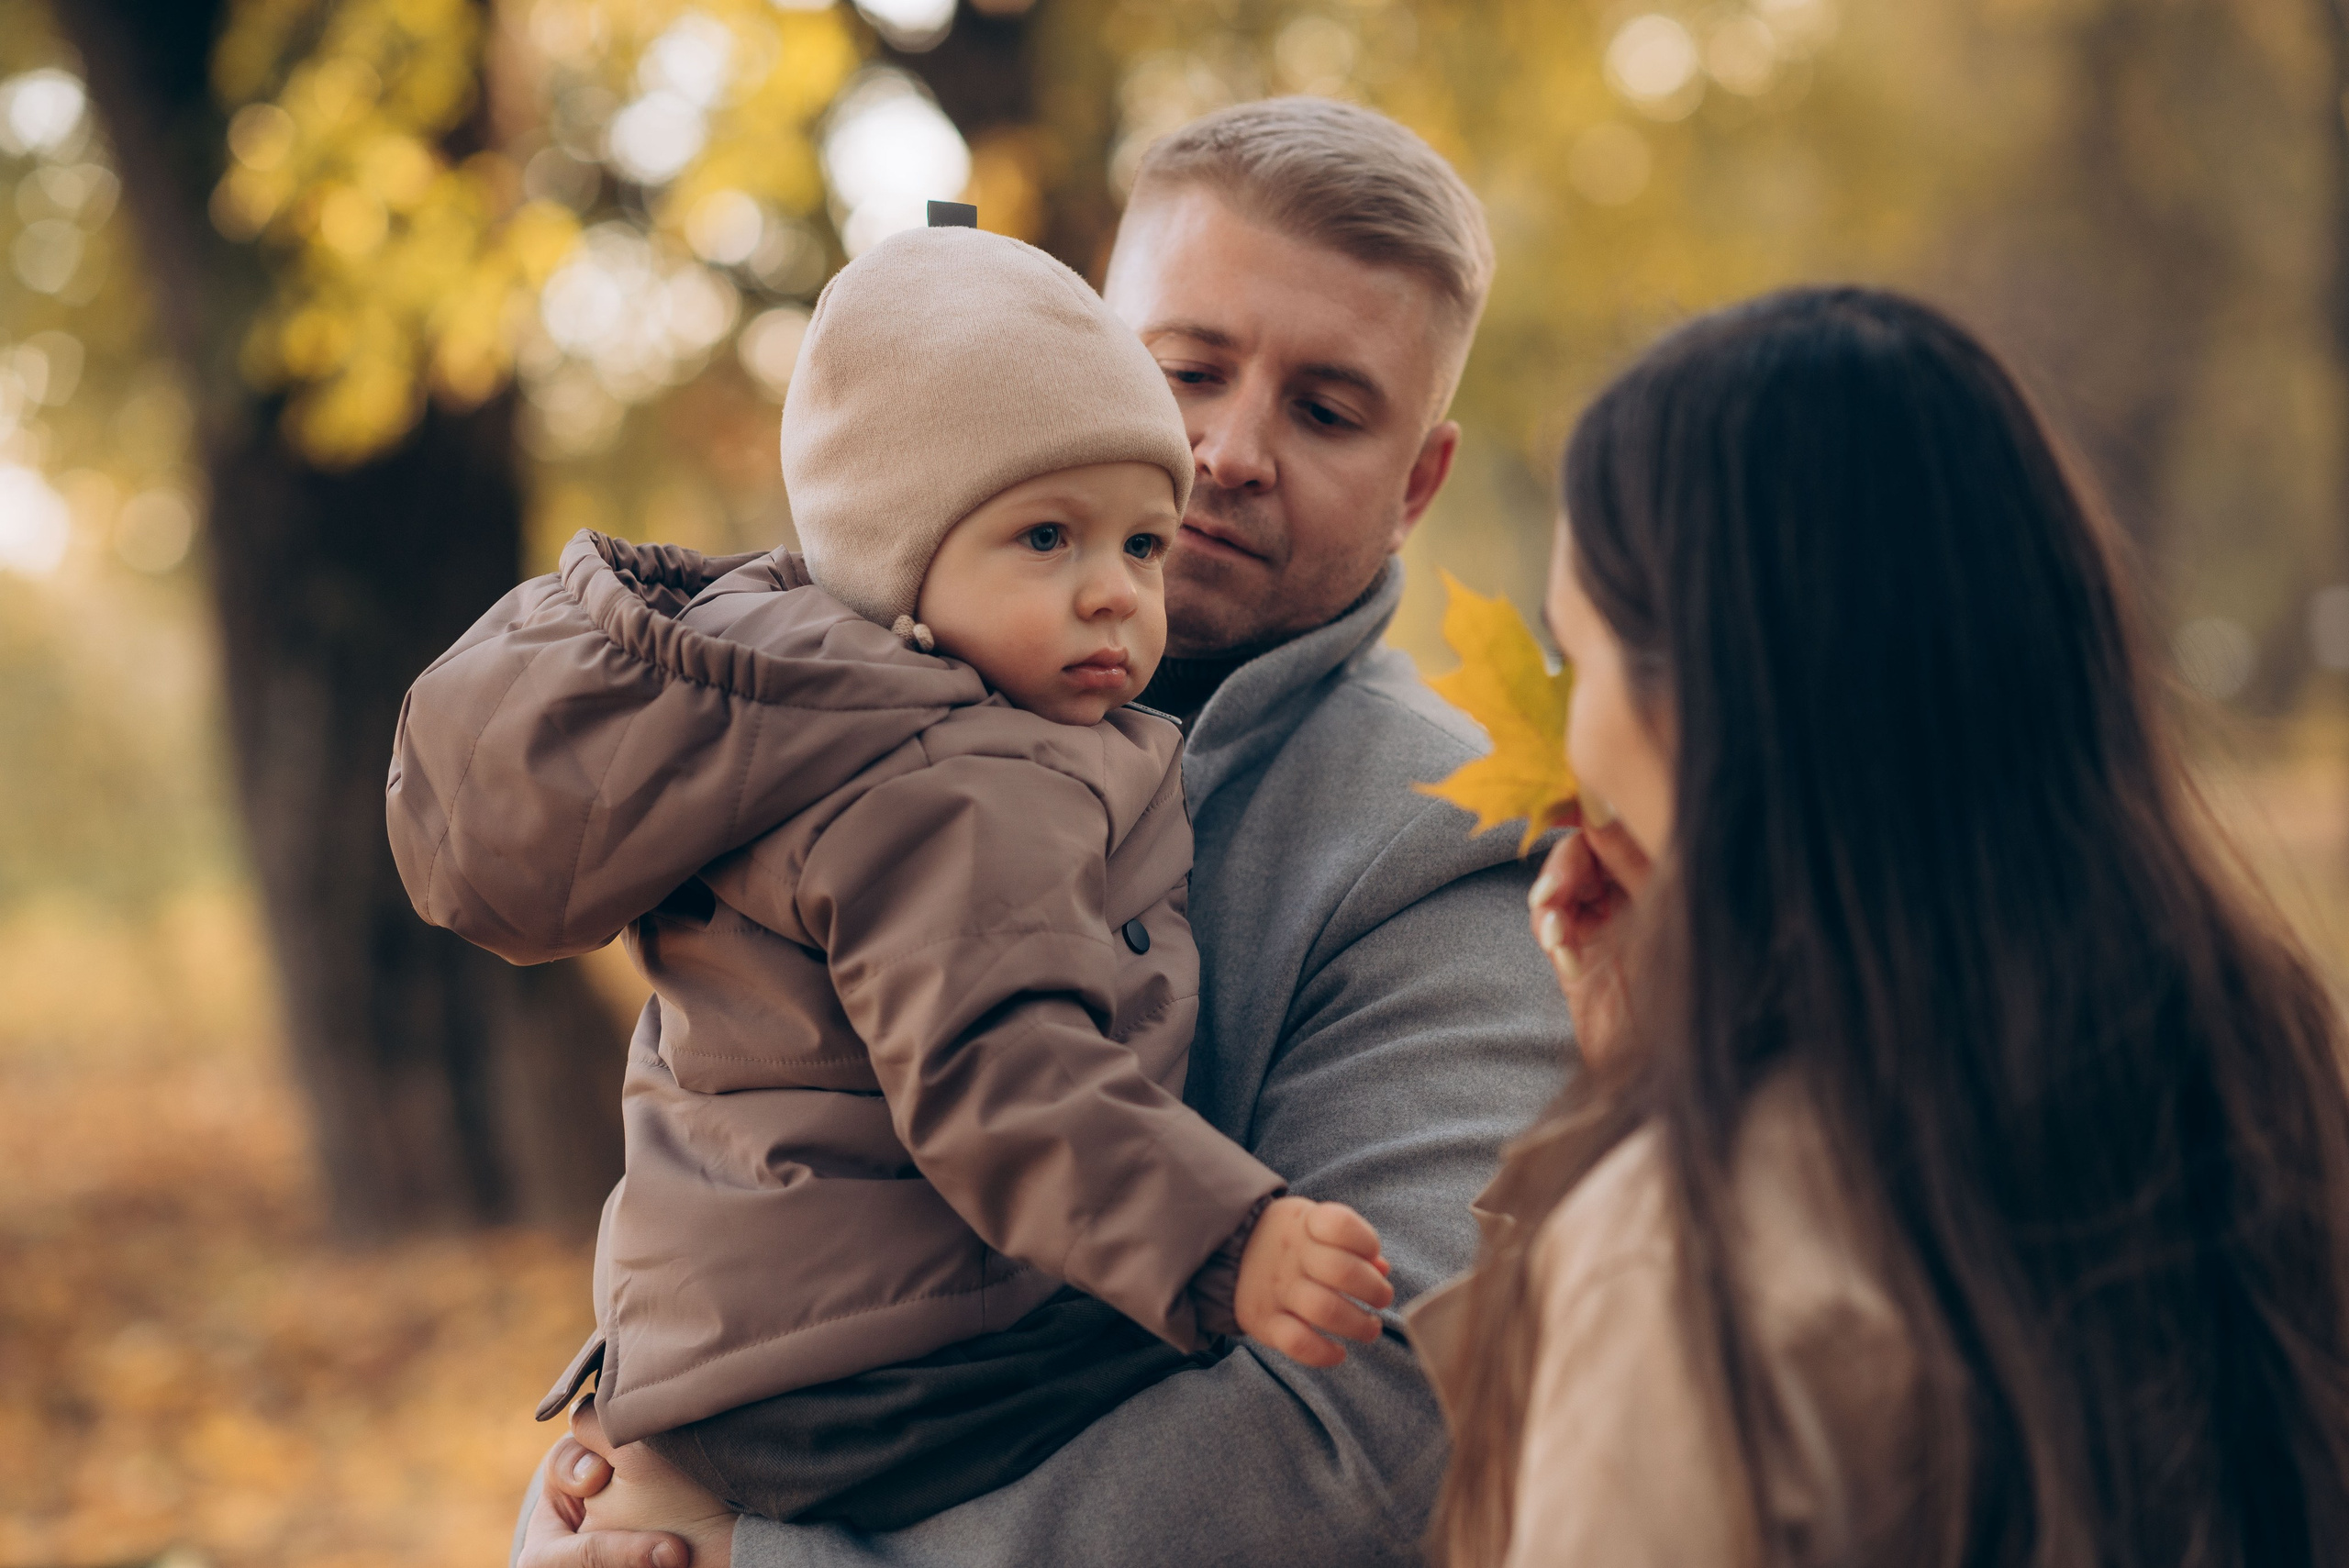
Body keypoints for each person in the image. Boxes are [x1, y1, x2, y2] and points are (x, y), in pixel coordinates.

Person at [512, 96, 1572, 1568]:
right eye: (1183, 369)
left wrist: (770, 1563)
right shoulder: (848, 698)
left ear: (1421, 484)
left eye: (1326, 410)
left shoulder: (1444, 849)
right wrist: (582, 1506)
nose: (1229, 448)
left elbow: (1369, 1428)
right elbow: (757, 1176)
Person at [388, 219, 1403, 1545]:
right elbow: (1001, 1070)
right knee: (1243, 1388)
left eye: (1142, 547)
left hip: (756, 1346)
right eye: (1047, 538)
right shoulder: (961, 780)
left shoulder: (804, 717)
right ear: (898, 556)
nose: (1112, 594)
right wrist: (1229, 1242)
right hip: (893, 1368)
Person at [1410, 286, 2349, 1566]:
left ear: (1711, 698)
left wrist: (1631, 1150)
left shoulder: (1685, 1257)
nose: (1572, 741)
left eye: (1577, 654)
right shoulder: (2246, 1068)